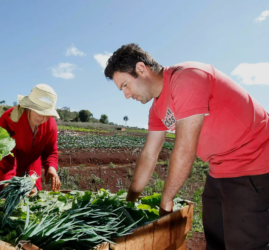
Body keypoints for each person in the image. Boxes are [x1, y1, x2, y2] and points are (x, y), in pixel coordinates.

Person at [104, 43, 269, 250]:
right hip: (219, 168)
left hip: (253, 161)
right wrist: (129, 202)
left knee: (244, 243)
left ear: (141, 69)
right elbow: (149, 155)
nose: (126, 95)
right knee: (216, 242)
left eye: (125, 85)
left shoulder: (187, 77)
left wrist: (166, 201)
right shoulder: (157, 109)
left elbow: (185, 147)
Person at [0, 84, 61, 200]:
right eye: (38, 111)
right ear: (29, 107)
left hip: (30, 161)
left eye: (46, 114)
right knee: (1, 203)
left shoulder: (50, 124)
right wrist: (9, 184)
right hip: (1, 163)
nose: (41, 117)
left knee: (33, 198)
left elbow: (50, 150)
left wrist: (51, 168)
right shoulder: (9, 119)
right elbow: (5, 157)